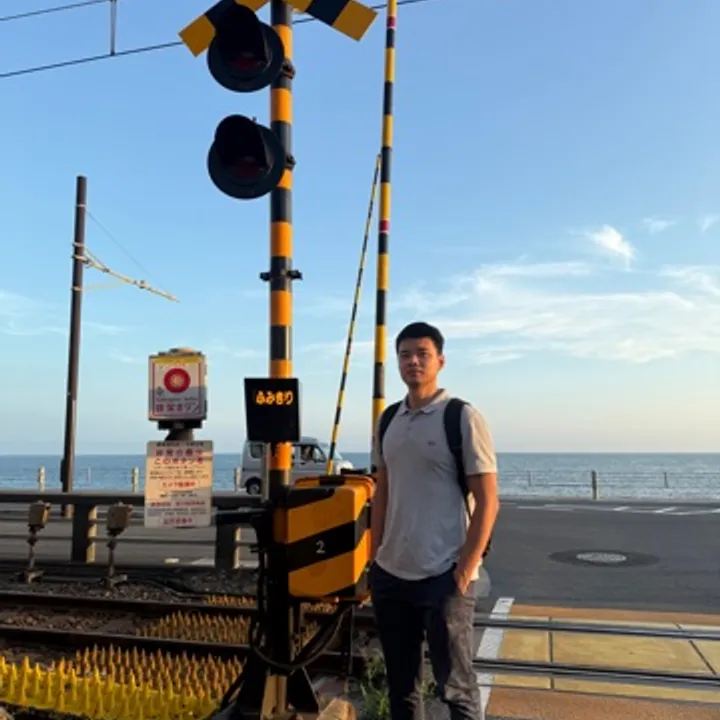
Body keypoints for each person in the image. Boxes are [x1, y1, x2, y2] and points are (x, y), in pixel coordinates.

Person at [369, 321, 500, 720]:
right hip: (392, 575)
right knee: (402, 688)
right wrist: (375, 558)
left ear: (440, 361)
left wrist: (464, 571)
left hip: (443, 574)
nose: (413, 361)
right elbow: (382, 490)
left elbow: (489, 500)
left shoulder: (461, 417)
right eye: (405, 355)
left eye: (422, 354)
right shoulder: (388, 420)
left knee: (456, 689)